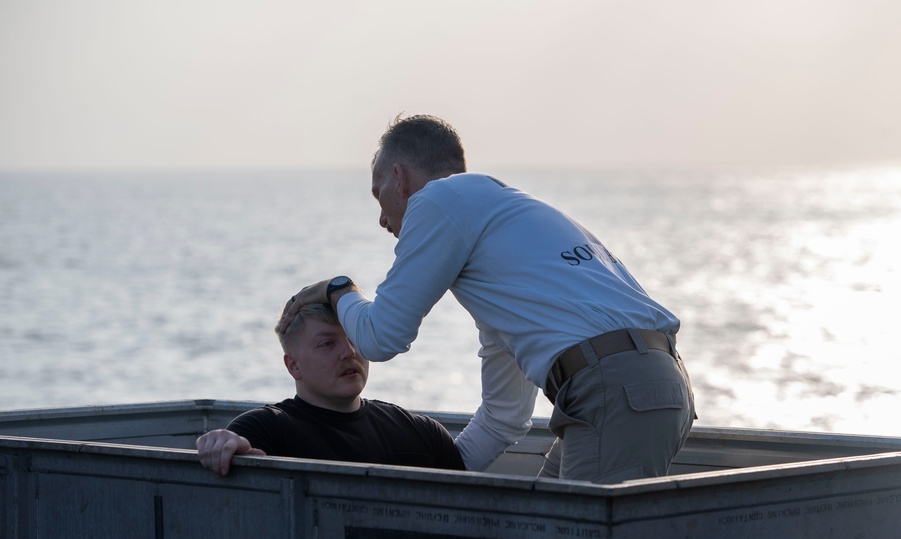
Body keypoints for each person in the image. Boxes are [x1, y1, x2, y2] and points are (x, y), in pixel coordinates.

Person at [279, 114, 695, 484]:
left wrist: (337, 289)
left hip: (612, 390)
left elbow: (379, 338)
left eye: (378, 195)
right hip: (652, 386)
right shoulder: (509, 253)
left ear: (399, 177)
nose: (383, 220)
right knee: (544, 528)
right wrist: (433, 485)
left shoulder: (437, 199)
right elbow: (505, 416)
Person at [197, 302, 465, 476]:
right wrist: (224, 444)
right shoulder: (264, 429)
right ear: (293, 366)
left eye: (353, 337)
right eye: (327, 344)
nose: (348, 352)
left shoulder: (423, 432)